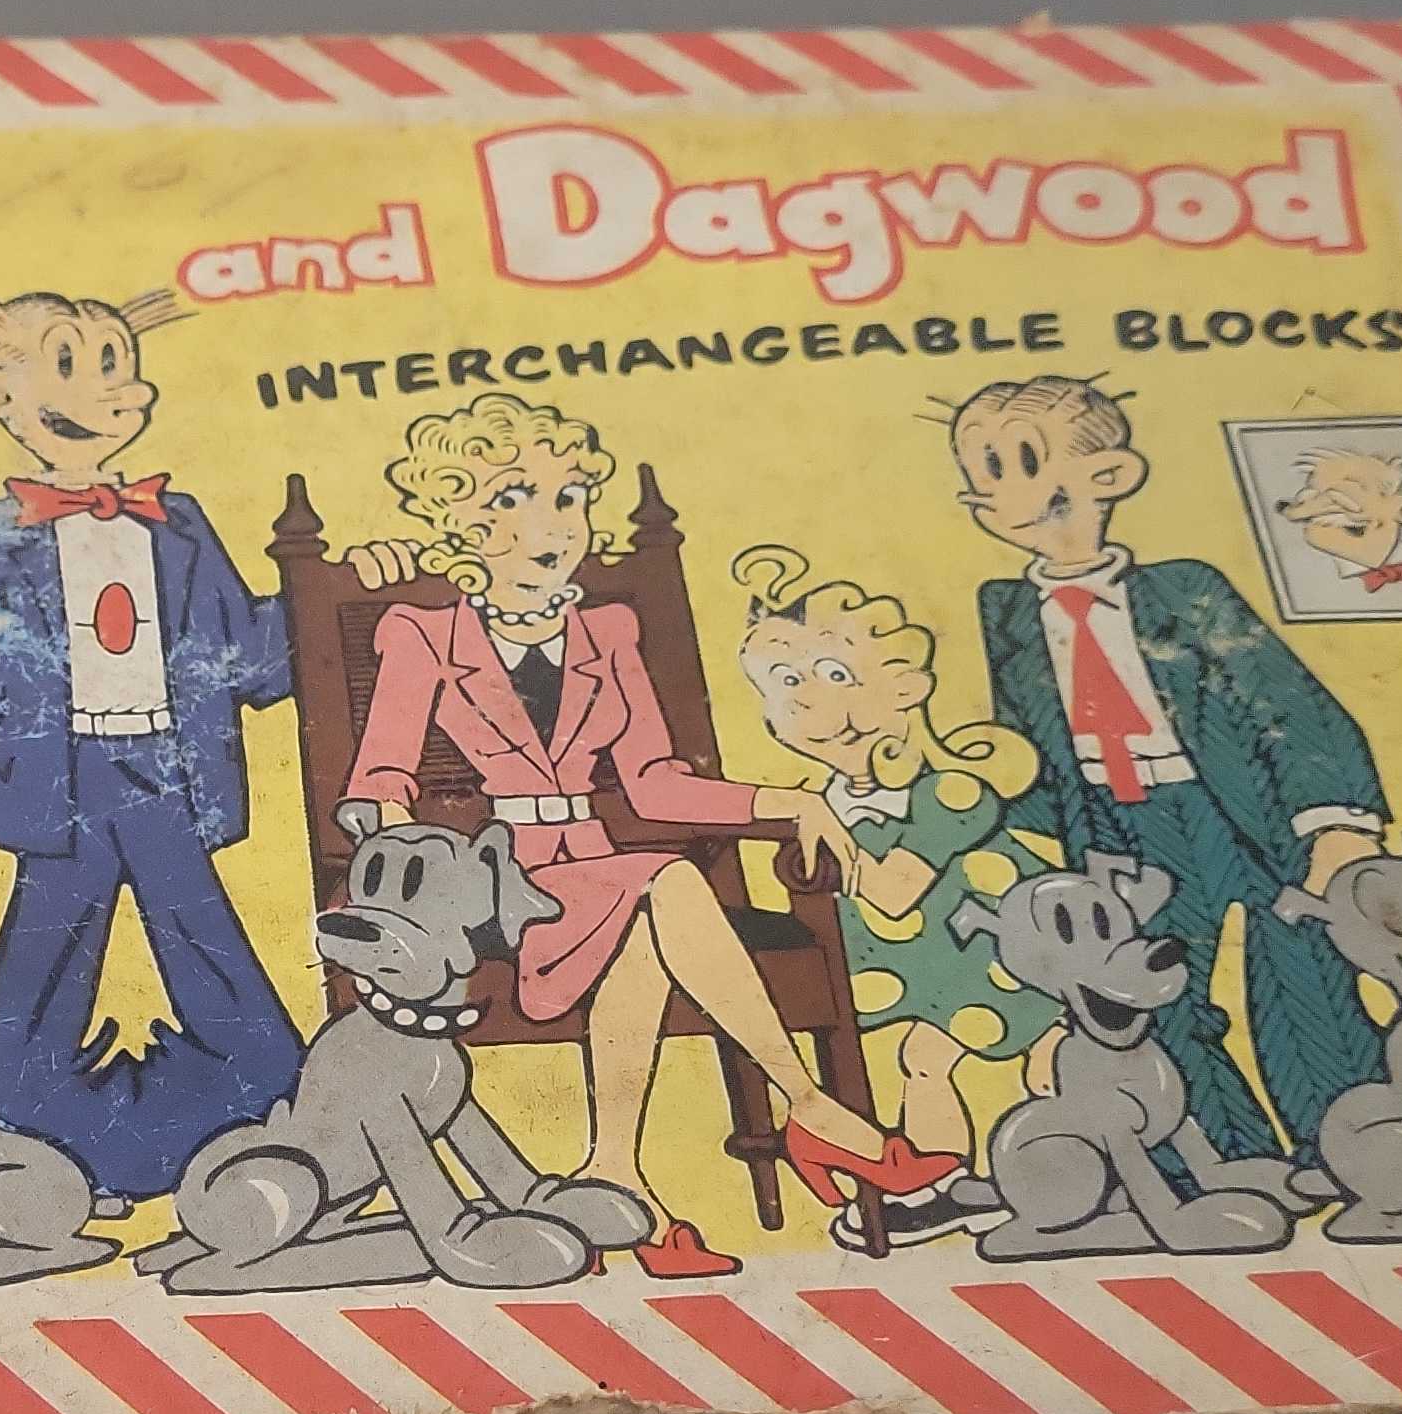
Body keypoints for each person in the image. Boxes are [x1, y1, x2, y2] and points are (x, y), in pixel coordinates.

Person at [341, 393, 961, 1278]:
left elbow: (657, 783)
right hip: (494, 889)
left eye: (569, 497)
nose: (554, 521)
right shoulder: (424, 633)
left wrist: (786, 801)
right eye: (515, 497)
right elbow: (381, 775)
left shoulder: (607, 631)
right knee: (664, 882)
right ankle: (811, 1107)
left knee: (645, 920)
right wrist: (410, 862)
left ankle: (617, 1175)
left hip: (599, 872)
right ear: (465, 521)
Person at [0, 287, 379, 1203]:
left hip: (170, 773)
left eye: (117, 365)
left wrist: (340, 597)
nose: (113, 391)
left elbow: (252, 661)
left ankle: (276, 1130)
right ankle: (16, 1149)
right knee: (44, 964)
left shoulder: (180, 523)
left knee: (208, 948)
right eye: (69, 364)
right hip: (57, 780)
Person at [947, 374, 1393, 1166]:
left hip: (1228, 810)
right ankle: (1227, 1166)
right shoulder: (1004, 612)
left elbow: (1287, 702)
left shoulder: (1183, 587)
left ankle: (1359, 1152)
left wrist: (1335, 823)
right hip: (1114, 826)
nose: (997, 493)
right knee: (1150, 995)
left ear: (1110, 476)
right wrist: (984, 797)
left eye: (1023, 462)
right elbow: (1026, 752)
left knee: (1301, 976)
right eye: (984, 472)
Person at [727, 547, 1061, 1245]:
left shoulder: (949, 791)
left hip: (1006, 959)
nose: (810, 699)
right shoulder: (822, 803)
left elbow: (895, 894)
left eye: (835, 674)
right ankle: (945, 1185)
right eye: (786, 682)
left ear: (903, 688)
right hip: (931, 975)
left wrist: (821, 836)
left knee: (1042, 1067)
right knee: (925, 1061)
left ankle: (1067, 1178)